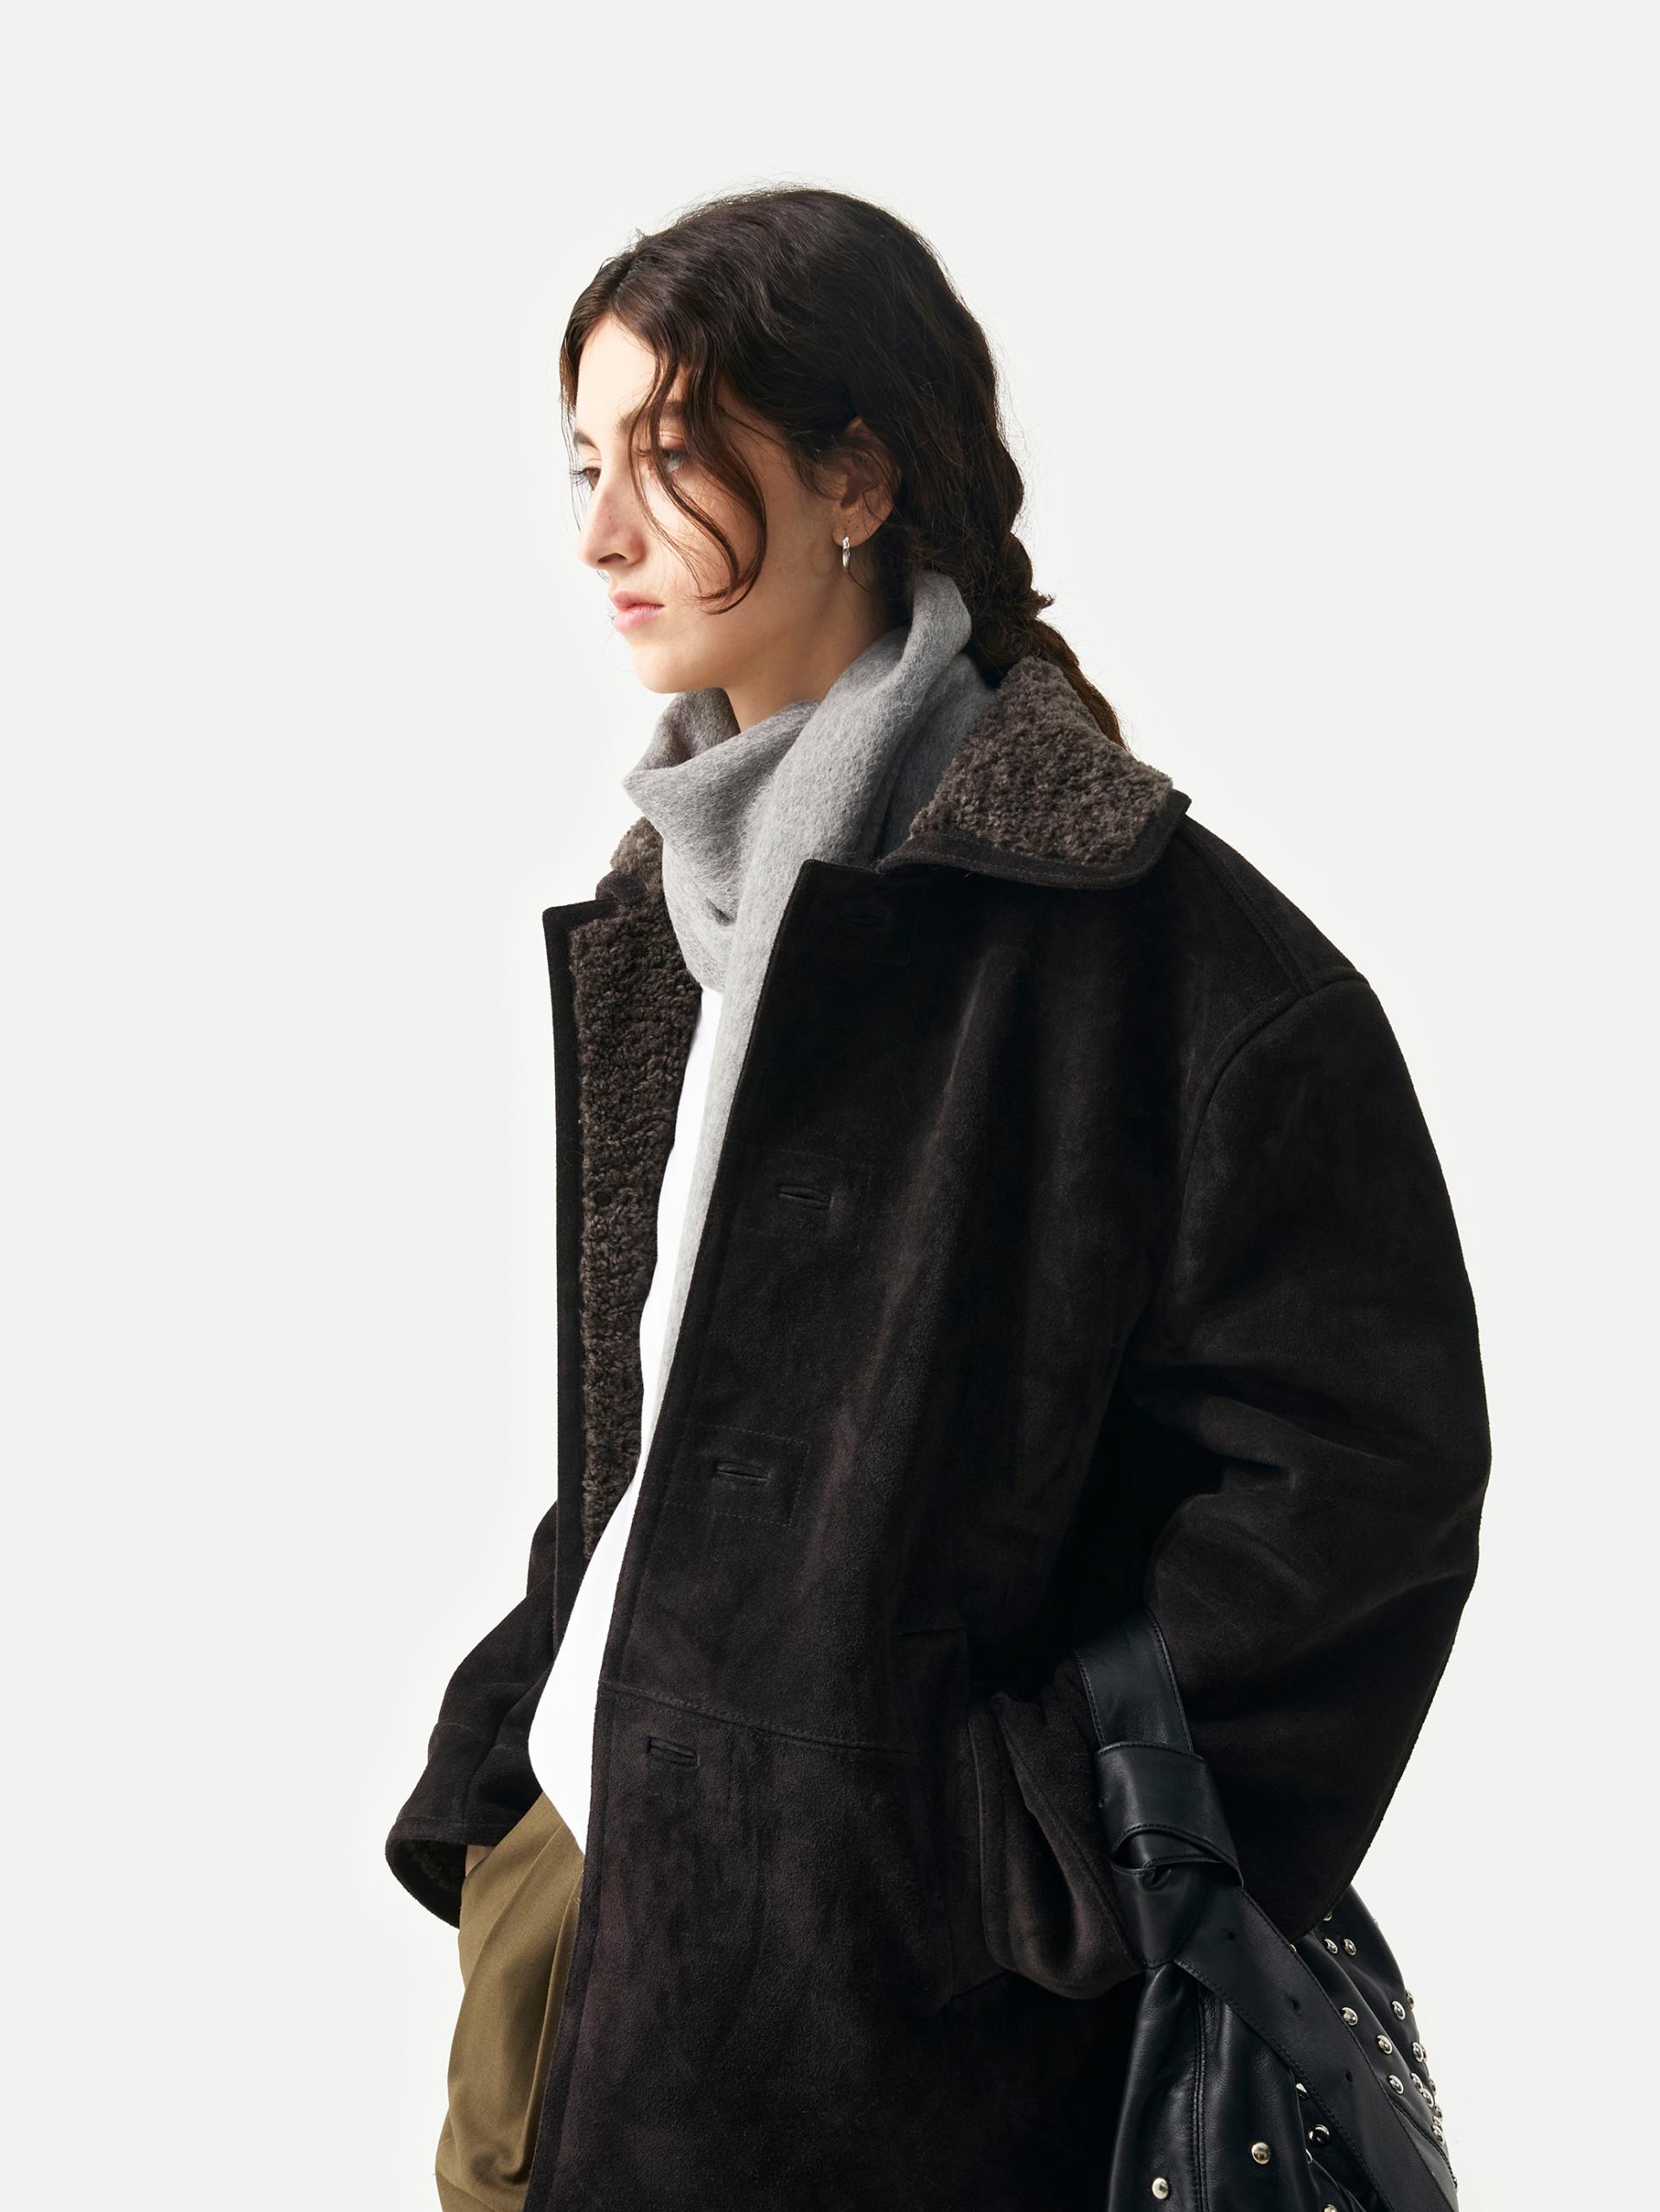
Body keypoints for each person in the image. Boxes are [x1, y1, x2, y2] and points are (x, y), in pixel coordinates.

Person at [385, 185, 1491, 2212]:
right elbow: (659, 1419)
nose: (601, 532)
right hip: (578, 1930)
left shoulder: (1157, 954)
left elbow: (1365, 1484)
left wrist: (1004, 1847)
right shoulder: (671, 913)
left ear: (858, 478)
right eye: (581, 461)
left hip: (890, 2038)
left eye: (667, 456)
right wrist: (501, 1774)